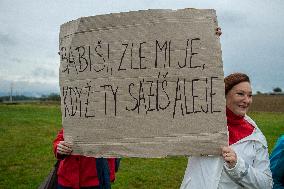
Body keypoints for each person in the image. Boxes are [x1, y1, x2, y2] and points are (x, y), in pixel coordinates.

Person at [180, 73, 273, 189]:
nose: (246, 100)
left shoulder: (256, 138)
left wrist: (237, 165)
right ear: (224, 95)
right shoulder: (201, 124)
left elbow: (266, 184)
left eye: (250, 95)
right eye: (240, 94)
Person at [53, 129, 118, 189]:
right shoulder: (73, 118)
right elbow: (61, 136)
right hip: (67, 179)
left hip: (94, 180)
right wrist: (59, 147)